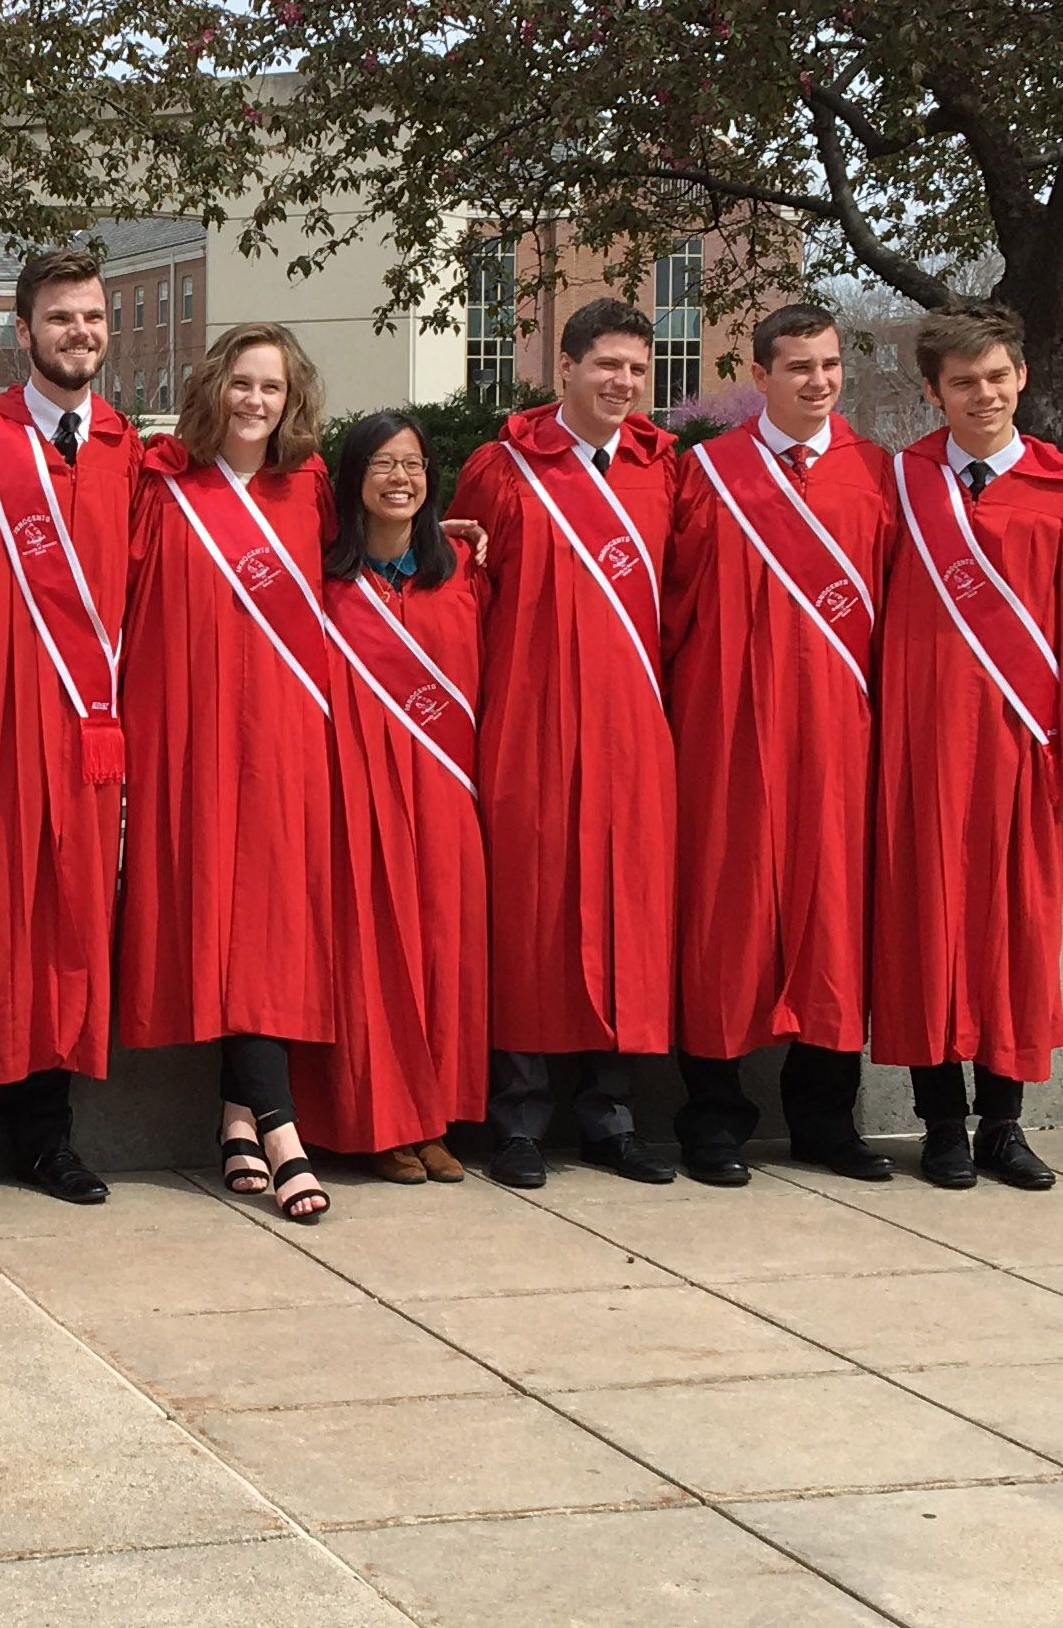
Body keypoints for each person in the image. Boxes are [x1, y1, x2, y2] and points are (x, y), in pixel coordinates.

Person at [872, 302, 1063, 1190]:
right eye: (960, 382)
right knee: (925, 928)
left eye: (995, 376)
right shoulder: (897, 484)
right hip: (915, 745)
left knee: (1009, 931)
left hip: (1019, 749)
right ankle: (940, 1126)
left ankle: (1003, 1125)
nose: (981, 394)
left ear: (1020, 375)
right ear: (931, 391)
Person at [664, 304, 896, 1185]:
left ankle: (823, 1118)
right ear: (759, 375)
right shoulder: (707, 475)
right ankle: (712, 1117)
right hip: (724, 733)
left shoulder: (875, 475)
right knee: (724, 916)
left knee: (831, 916)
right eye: (797, 367)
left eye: (830, 365)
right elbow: (669, 606)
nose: (818, 382)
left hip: (839, 734)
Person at [0, 248, 139, 1208]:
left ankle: (49, 1136)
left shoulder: (128, 449)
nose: (80, 333)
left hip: (85, 732)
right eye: (61, 319)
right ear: (24, 332)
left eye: (92, 317)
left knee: (68, 925)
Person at [450, 298, 678, 1188]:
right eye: (605, 365)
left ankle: (612, 1118)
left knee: (624, 916)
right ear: (566, 365)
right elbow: (465, 602)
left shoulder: (662, 474)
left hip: (629, 729)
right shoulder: (501, 471)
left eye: (635, 368)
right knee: (532, 915)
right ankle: (516, 1118)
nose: (621, 383)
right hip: (527, 723)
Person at [118, 323, 338, 1221]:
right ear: (214, 386)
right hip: (190, 733)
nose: (255, 401)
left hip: (282, 736)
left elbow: (355, 579)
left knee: (268, 920)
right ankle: (261, 1123)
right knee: (221, 911)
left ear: (292, 402)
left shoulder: (308, 490)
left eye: (272, 389)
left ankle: (253, 1120)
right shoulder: (163, 487)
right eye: (242, 383)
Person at [289, 414, 488, 1186]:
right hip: (357, 791)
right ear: (352, 478)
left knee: (442, 949)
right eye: (381, 463)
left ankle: (434, 1119)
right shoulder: (324, 580)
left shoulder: (461, 567)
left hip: (441, 787)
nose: (399, 478)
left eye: (411, 463)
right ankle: (380, 1123)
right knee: (371, 957)